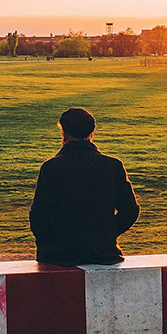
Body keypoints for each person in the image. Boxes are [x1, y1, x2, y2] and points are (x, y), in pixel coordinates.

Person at [29, 108, 140, 266]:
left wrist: (52, 242)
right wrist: (107, 234)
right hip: (104, 254)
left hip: (59, 256)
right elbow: (130, 210)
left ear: (64, 135)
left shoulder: (51, 168)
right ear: (92, 134)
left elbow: (39, 216)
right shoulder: (113, 166)